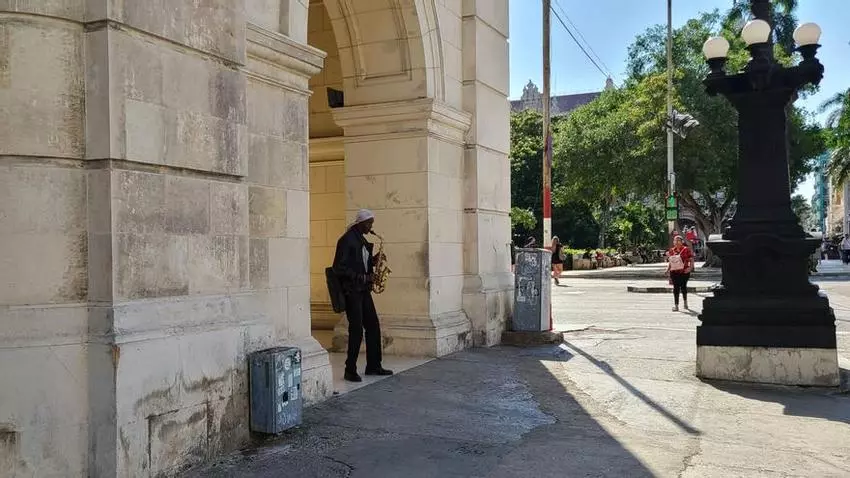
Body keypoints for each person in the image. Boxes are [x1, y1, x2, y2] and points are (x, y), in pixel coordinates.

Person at [332, 209, 393, 382]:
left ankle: (373, 365)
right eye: (369, 223)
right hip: (352, 291)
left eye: (372, 223)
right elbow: (339, 268)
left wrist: (373, 260)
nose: (371, 226)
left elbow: (359, 261)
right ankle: (350, 369)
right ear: (360, 223)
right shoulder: (346, 240)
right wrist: (363, 276)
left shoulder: (361, 239)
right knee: (356, 329)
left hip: (363, 290)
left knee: (373, 326)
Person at [666, 235, 695, 312]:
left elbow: (691, 259)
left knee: (683, 287)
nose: (676, 242)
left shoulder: (686, 249)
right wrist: (667, 269)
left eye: (678, 240)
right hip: (674, 272)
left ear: (682, 242)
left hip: (684, 272)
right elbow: (671, 261)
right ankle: (676, 306)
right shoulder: (671, 251)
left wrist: (690, 268)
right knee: (675, 288)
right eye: (675, 240)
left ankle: (685, 303)